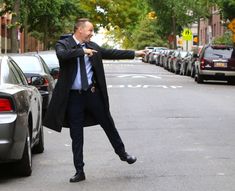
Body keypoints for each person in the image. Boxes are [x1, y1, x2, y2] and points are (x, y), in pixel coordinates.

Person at [43, 18, 146, 183]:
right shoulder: (63, 44)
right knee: (76, 134)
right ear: (80, 29)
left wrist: (135, 53)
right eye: (90, 30)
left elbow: (111, 53)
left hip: (92, 94)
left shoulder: (93, 46)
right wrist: (82, 52)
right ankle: (79, 170)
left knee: (108, 123)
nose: (92, 33)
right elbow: (63, 55)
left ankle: (122, 153)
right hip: (74, 97)